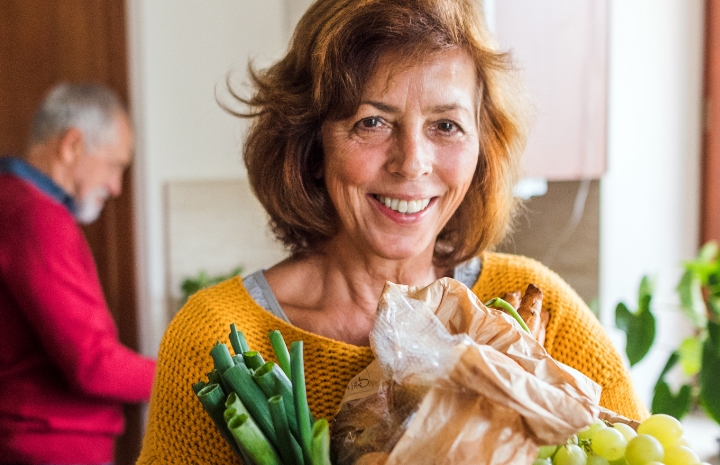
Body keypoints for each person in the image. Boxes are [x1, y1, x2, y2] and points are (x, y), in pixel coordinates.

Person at [137, 0, 647, 462]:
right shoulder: (216, 342)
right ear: (311, 145)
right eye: (372, 122)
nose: (412, 164)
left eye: (445, 125)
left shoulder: (539, 313)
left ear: (481, 147)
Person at [0, 83, 156, 465]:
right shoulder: (38, 218)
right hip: (52, 446)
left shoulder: (11, 201)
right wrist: (197, 372)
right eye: (115, 165)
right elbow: (93, 366)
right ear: (71, 145)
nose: (116, 187)